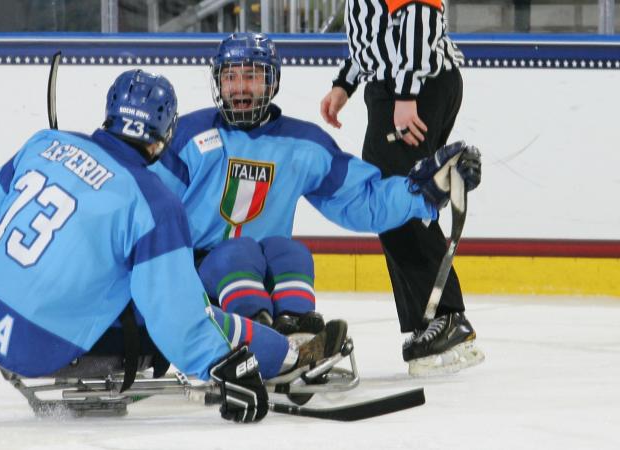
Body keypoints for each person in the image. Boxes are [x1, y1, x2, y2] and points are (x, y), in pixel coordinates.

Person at [0, 69, 348, 423]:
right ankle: (288, 352)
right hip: (51, 347)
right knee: (193, 310)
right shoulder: (154, 202)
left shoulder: (44, 144)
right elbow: (177, 322)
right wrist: (234, 363)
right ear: (166, 134)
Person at [150, 32, 482, 375]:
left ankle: (296, 336)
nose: (240, 88)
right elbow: (145, 207)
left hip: (257, 275)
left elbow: (362, 200)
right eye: (230, 76)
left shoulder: (302, 144)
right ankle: (256, 339)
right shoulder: (186, 135)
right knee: (239, 252)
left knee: (290, 252)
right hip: (196, 279)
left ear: (272, 82)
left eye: (252, 76)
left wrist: (423, 190)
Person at [319, 1, 484, 375]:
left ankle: (445, 315)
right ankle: (431, 320)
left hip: (412, 85)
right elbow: (376, 33)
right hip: (404, 83)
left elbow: (419, 12)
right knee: (396, 200)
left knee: (393, 200)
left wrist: (406, 93)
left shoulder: (407, 84)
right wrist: (346, 82)